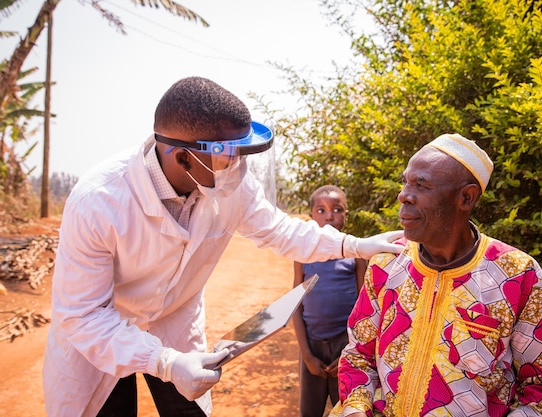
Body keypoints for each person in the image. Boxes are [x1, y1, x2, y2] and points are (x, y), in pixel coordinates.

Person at [42, 76, 403, 417]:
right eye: (228, 155)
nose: (239, 166)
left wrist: (354, 245)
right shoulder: (98, 202)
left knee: (188, 408)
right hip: (101, 335)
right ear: (184, 158)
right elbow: (85, 315)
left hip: (174, 323)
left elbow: (280, 230)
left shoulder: (228, 185)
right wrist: (164, 362)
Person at [331, 134, 542, 417]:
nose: (404, 195)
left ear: (466, 197)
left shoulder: (518, 275)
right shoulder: (386, 264)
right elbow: (358, 356)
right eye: (406, 182)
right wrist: (355, 409)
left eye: (421, 185)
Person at [293, 185, 369, 417]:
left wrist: (348, 352)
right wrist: (306, 355)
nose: (329, 216)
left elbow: (363, 306)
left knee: (345, 409)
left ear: (346, 215)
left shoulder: (355, 253)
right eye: (321, 210)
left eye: (337, 209)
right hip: (312, 345)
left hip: (344, 346)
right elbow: (295, 304)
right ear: (311, 215)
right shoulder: (303, 253)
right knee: (310, 411)